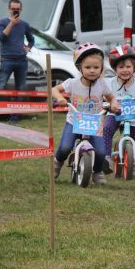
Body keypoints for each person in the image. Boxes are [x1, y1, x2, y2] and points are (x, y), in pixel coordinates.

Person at [52, 43, 119, 185]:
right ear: (79, 68)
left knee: (101, 152)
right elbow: (54, 89)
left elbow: (112, 98)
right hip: (74, 120)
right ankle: (57, 164)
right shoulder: (72, 83)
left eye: (96, 67)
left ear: (101, 68)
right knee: (65, 147)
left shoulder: (103, 84)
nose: (92, 71)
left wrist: (113, 104)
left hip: (95, 122)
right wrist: (60, 98)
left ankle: (98, 171)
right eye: (88, 67)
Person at [103, 45, 135, 177]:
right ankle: (106, 158)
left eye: (128, 67)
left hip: (131, 118)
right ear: (115, 69)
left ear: (134, 68)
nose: (125, 70)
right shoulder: (110, 83)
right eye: (121, 67)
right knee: (106, 129)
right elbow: (103, 95)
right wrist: (105, 103)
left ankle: (132, 160)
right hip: (114, 114)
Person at [0, 0, 35, 123]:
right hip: (7, 59)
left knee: (20, 88)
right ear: (9, 9)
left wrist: (28, 47)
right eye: (13, 9)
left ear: (21, 10)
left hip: (21, 60)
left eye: (17, 9)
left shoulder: (24, 24)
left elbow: (31, 39)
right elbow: (1, 37)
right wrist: (11, 23)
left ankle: (15, 116)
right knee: (0, 86)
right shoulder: (2, 22)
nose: (15, 11)